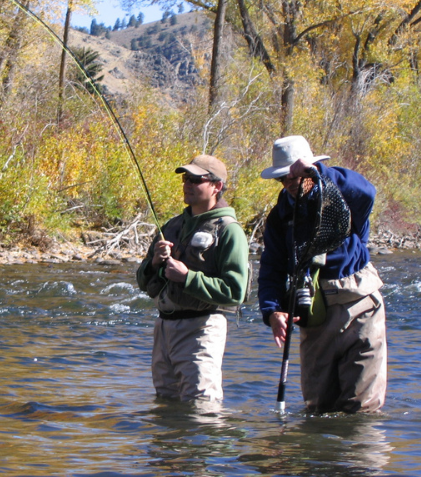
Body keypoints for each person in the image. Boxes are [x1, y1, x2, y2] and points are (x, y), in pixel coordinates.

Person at [258, 135, 387, 413]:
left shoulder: (344, 196)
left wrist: (319, 173)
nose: (291, 184)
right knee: (319, 408)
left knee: (360, 409)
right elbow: (271, 268)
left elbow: (367, 192)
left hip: (360, 307)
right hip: (314, 312)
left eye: (296, 176)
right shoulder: (279, 218)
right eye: (284, 179)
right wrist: (272, 311)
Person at [136, 154, 249, 402]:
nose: (187, 184)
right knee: (165, 405)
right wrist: (154, 262)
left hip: (202, 329)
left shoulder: (230, 230)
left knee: (202, 407)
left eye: (196, 179)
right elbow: (143, 282)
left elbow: (235, 291)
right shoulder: (172, 225)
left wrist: (187, 277)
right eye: (186, 178)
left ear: (216, 186)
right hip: (164, 329)